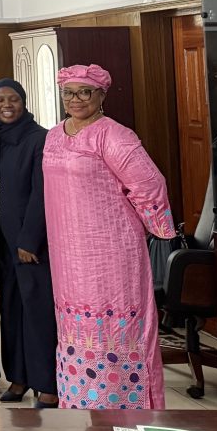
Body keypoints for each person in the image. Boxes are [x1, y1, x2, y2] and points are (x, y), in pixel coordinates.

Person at [43, 64, 174, 410]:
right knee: (74, 328)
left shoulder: (115, 136)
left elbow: (150, 185)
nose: (76, 99)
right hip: (67, 257)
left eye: (85, 92)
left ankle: (123, 406)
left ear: (101, 95)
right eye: (69, 92)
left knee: (113, 328)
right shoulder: (54, 135)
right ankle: (80, 403)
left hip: (111, 255)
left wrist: (158, 231)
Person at [0, 78, 58, 409]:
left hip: (31, 245)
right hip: (2, 243)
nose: (6, 105)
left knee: (38, 313)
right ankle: (17, 378)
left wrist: (30, 238)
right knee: (10, 310)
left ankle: (47, 384)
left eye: (13, 99)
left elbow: (42, 194)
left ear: (24, 102)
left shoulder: (38, 139)